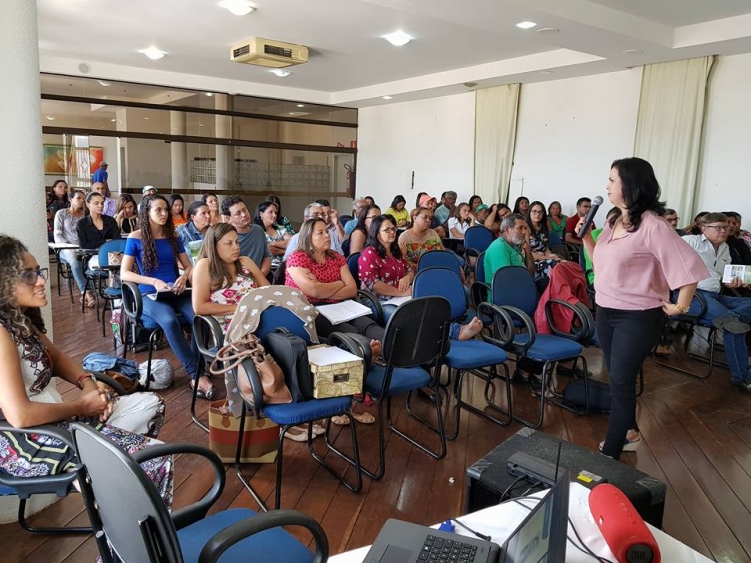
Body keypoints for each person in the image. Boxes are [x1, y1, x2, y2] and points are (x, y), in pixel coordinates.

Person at [0, 235, 172, 505]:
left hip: (58, 424)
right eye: (28, 275)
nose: (41, 280)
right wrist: (82, 407)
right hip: (23, 443)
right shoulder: (0, 333)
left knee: (151, 405)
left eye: (38, 272)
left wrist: (90, 385)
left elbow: (57, 360)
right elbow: (20, 416)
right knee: (154, 459)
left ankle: (107, 488)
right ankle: (136, 536)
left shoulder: (21, 321)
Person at [578, 157, 708, 460]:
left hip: (637, 317)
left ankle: (610, 454)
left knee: (621, 382)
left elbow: (690, 268)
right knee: (617, 375)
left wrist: (681, 305)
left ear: (631, 186)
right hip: (606, 311)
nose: (607, 186)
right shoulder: (613, 221)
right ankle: (631, 431)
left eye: (612, 180)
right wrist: (586, 238)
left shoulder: (654, 226)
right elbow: (601, 263)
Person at [120, 195, 211, 399]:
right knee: (170, 321)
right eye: (158, 210)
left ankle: (198, 371)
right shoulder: (135, 237)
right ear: (147, 213)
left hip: (175, 291)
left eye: (165, 210)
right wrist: (152, 281)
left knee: (200, 315)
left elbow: (189, 266)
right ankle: (197, 374)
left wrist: (183, 278)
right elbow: (124, 273)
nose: (164, 214)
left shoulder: (173, 236)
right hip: (149, 294)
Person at [285, 218, 385, 343]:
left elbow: (352, 289)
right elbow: (314, 291)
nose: (327, 235)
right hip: (311, 309)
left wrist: (323, 288)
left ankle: (394, 351)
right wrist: (340, 283)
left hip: (341, 305)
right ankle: (371, 352)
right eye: (320, 233)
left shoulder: (336, 257)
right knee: (351, 333)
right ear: (308, 237)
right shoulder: (297, 257)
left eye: (327, 231)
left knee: (369, 326)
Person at [681, 212, 751, 389]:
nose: (724, 231)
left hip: (716, 293)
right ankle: (742, 377)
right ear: (704, 228)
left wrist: (733, 282)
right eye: (718, 227)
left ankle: (729, 318)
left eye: (726, 227)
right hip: (693, 295)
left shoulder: (725, 248)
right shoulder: (691, 242)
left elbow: (722, 277)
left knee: (735, 315)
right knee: (732, 323)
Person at [192, 223, 269, 333]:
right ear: (214, 246)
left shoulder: (245, 261)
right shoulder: (205, 265)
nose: (236, 247)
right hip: (234, 330)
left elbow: (269, 291)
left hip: (261, 320)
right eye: (229, 243)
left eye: (237, 242)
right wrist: (242, 308)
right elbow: (199, 307)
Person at [358, 215, 414, 321]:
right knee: (405, 317)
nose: (392, 232)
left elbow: (410, 270)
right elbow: (373, 285)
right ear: (377, 234)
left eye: (393, 229)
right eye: (387, 230)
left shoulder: (395, 251)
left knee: (425, 308)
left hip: (399, 297)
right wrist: (401, 293)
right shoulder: (369, 253)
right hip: (376, 299)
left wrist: (407, 278)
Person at [53, 190, 94, 307]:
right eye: (78, 198)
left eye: (83, 199)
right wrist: (69, 247)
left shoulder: (85, 216)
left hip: (82, 247)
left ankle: (88, 293)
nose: (82, 201)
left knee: (89, 261)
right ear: (70, 199)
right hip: (65, 248)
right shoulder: (61, 214)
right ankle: (87, 292)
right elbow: (57, 235)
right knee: (75, 262)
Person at [221, 195, 272, 278]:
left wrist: (259, 278)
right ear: (228, 218)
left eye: (244, 210)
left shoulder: (258, 230)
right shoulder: (226, 239)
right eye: (238, 213)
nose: (244, 214)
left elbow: (266, 258)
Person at [483, 213, 536, 283]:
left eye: (525, 228)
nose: (524, 232)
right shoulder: (498, 248)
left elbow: (531, 274)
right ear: (507, 230)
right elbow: (505, 281)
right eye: (520, 228)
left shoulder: (514, 246)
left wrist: (528, 250)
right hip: (509, 292)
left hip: (523, 286)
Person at [526, 201, 564, 281]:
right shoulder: (526, 228)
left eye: (540, 212)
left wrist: (550, 255)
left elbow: (544, 246)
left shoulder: (542, 227)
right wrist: (546, 258)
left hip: (545, 258)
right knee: (557, 265)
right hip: (533, 262)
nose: (537, 214)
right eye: (534, 211)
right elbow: (526, 252)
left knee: (565, 263)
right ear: (529, 212)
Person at [254, 200, 291, 269]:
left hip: (287, 266)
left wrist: (273, 244)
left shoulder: (279, 228)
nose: (274, 215)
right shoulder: (256, 231)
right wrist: (288, 251)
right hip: (269, 268)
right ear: (261, 214)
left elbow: (291, 242)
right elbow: (269, 250)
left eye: (275, 212)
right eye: (270, 212)